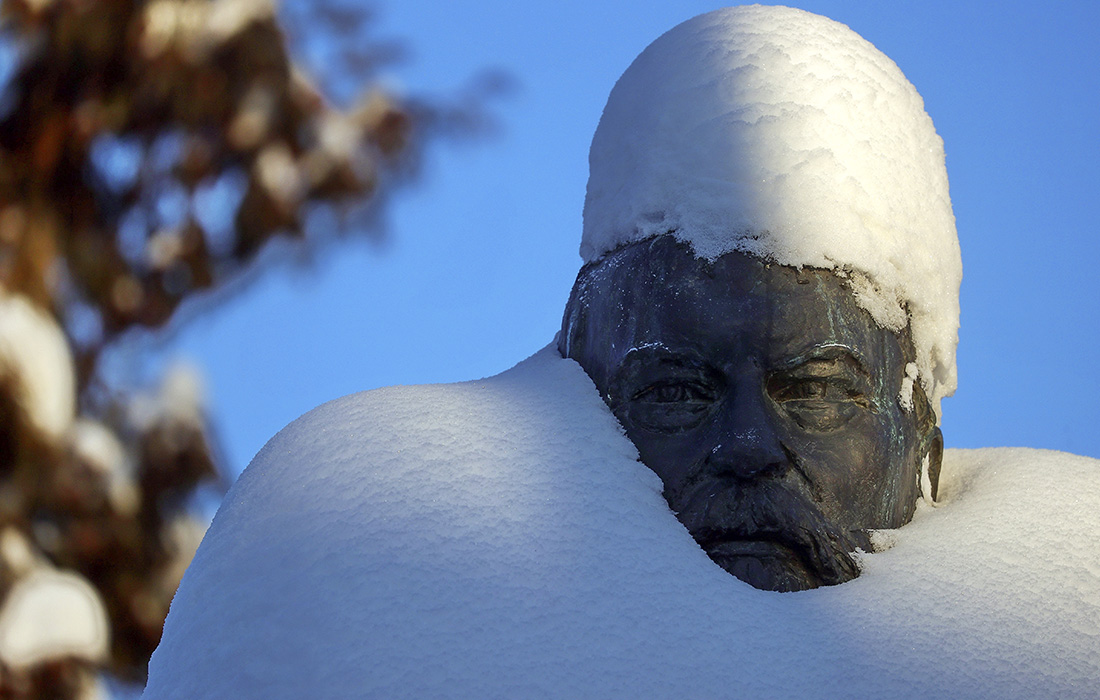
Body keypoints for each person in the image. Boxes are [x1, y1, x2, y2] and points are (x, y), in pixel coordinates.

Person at [142, 7, 1100, 699]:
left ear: (922, 443)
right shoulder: (349, 565)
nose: (750, 446)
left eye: (814, 390)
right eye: (677, 389)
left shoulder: (1069, 628)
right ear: (583, 394)